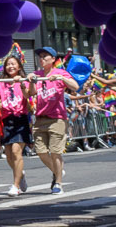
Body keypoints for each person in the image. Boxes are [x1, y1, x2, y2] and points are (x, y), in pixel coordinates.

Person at [29, 47, 79, 194]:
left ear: (53, 59)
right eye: (40, 56)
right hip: (40, 118)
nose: (42, 59)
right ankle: (57, 171)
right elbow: (31, 93)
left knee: (55, 152)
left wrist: (61, 79)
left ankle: (58, 183)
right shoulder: (37, 75)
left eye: (45, 56)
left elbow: (75, 86)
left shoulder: (60, 73)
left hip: (57, 118)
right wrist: (31, 80)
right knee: (41, 151)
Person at [0, 53, 32, 196]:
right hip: (6, 120)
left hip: (20, 119)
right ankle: (20, 173)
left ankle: (15, 186)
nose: (10, 66)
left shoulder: (24, 80)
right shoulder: (2, 83)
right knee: (8, 155)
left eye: (13, 63)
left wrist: (21, 83)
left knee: (16, 151)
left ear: (19, 66)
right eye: (8, 64)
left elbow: (28, 95)